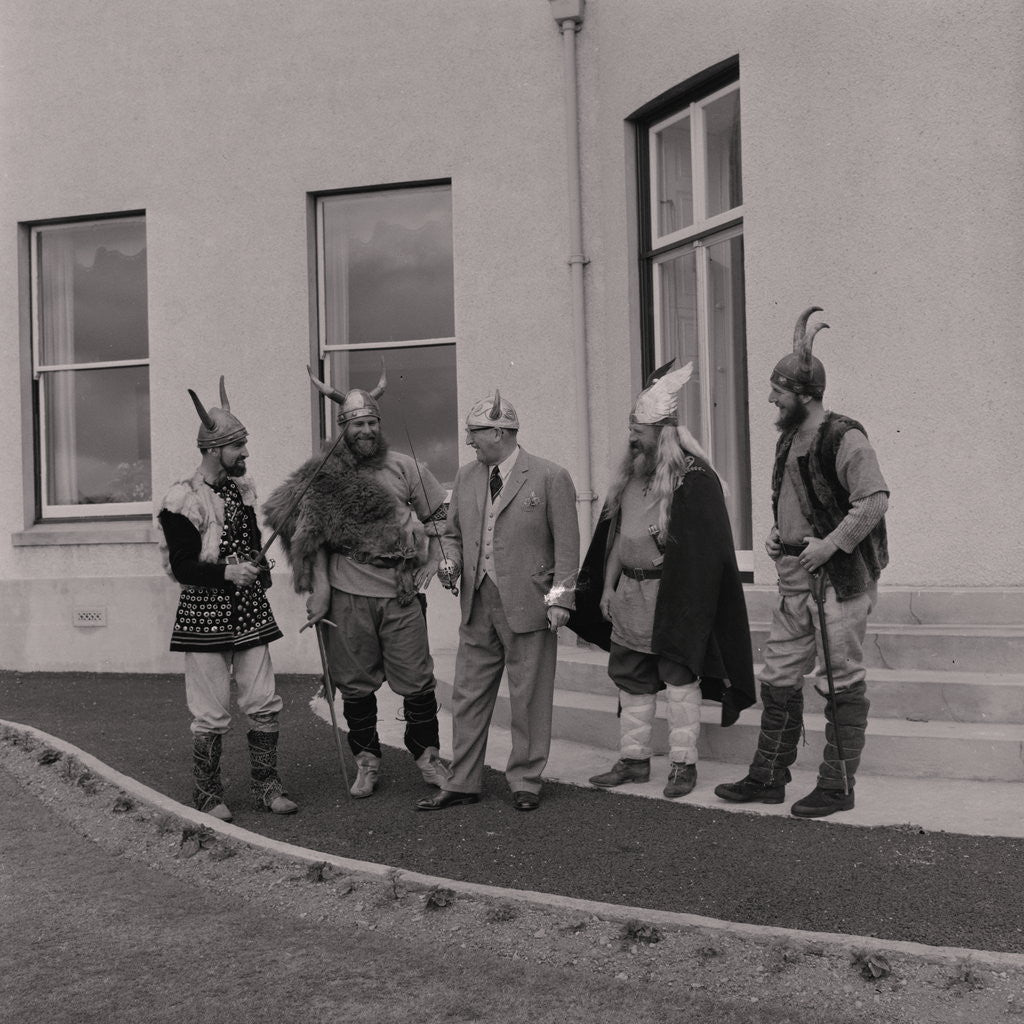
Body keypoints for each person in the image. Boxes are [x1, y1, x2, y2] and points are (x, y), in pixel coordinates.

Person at [715, 306, 889, 818]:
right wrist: (779, 536)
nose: (771, 398)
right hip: (795, 577)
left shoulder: (844, 437)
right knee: (780, 677)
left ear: (805, 394)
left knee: (841, 678)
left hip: (837, 581)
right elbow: (800, 500)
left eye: (779, 391)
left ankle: (837, 788)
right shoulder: (790, 438)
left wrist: (829, 545)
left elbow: (873, 501)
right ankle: (769, 777)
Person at [262, 364, 450, 799]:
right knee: (355, 685)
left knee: (419, 682)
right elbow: (309, 534)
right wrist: (321, 589)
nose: (365, 430)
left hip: (400, 591)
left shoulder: (406, 468)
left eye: (370, 423)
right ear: (343, 428)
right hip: (348, 593)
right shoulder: (324, 474)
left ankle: (428, 759)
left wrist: (436, 558)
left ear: (378, 425)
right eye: (356, 424)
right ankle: (366, 762)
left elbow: (440, 517)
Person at [568, 362, 756, 798]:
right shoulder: (630, 478)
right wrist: (608, 588)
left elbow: (704, 556)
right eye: (632, 429)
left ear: (663, 433)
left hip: (673, 598)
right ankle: (634, 761)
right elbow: (615, 540)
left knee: (679, 678)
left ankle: (682, 766)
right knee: (631, 675)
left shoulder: (693, 480)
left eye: (640, 431)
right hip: (630, 596)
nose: (632, 438)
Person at [416, 391, 580, 813]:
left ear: (498, 432)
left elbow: (568, 548)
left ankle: (525, 779)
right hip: (477, 603)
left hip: (531, 604)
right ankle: (464, 780)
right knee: (468, 695)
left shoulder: (549, 476)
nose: (468, 441)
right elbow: (451, 533)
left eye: (473, 433)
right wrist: (448, 563)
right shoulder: (468, 476)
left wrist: (560, 601)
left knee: (529, 697)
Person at [157, 377, 298, 823]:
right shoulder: (181, 500)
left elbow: (250, 544)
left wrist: (257, 567)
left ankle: (267, 787)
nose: (245, 454)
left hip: (250, 609)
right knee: (210, 711)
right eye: (238, 446)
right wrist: (227, 572)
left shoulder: (243, 491)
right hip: (204, 614)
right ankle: (206, 792)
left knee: (263, 699)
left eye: (244, 445)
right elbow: (181, 567)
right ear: (215, 449)